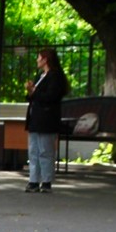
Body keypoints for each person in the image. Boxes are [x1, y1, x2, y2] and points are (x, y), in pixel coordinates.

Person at [24, 48, 69, 193]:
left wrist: (35, 91)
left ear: (45, 59)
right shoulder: (40, 76)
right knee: (33, 150)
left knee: (45, 150)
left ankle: (47, 181)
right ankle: (33, 180)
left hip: (47, 118)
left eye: (39, 58)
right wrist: (30, 91)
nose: (37, 60)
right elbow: (35, 96)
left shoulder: (55, 76)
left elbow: (50, 97)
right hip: (35, 117)